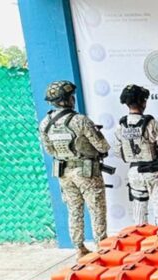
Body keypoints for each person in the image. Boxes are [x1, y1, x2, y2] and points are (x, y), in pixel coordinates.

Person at [38, 80, 110, 258]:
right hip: (86, 171)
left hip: (64, 172)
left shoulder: (45, 123)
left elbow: (49, 150)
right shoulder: (80, 120)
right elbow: (102, 146)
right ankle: (102, 247)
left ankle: (79, 248)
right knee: (96, 209)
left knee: (74, 210)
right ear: (67, 99)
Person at [114, 84, 158, 226]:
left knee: (139, 215)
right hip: (154, 173)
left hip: (134, 173)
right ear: (143, 102)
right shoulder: (152, 124)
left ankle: (141, 238)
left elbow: (118, 152)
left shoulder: (121, 125)